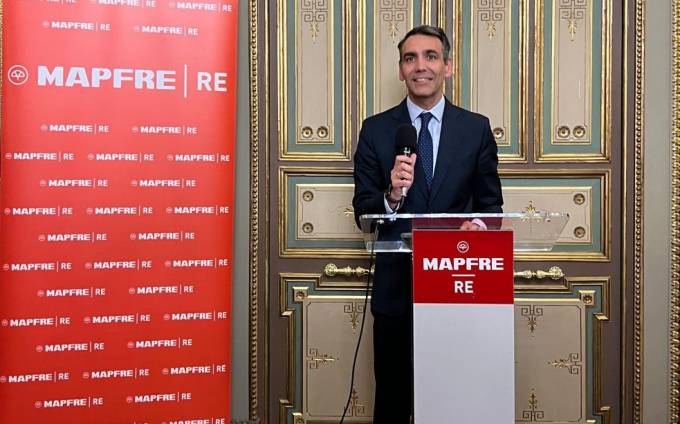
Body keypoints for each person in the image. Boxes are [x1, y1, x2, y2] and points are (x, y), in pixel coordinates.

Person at [352, 25, 503, 423]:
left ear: (447, 66)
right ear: (401, 70)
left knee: (456, 400)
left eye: (430, 56)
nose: (420, 66)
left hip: (458, 288)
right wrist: (392, 194)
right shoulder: (376, 130)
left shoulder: (476, 128)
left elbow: (491, 206)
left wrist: (479, 227)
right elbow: (363, 213)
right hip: (395, 293)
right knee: (394, 400)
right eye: (410, 58)